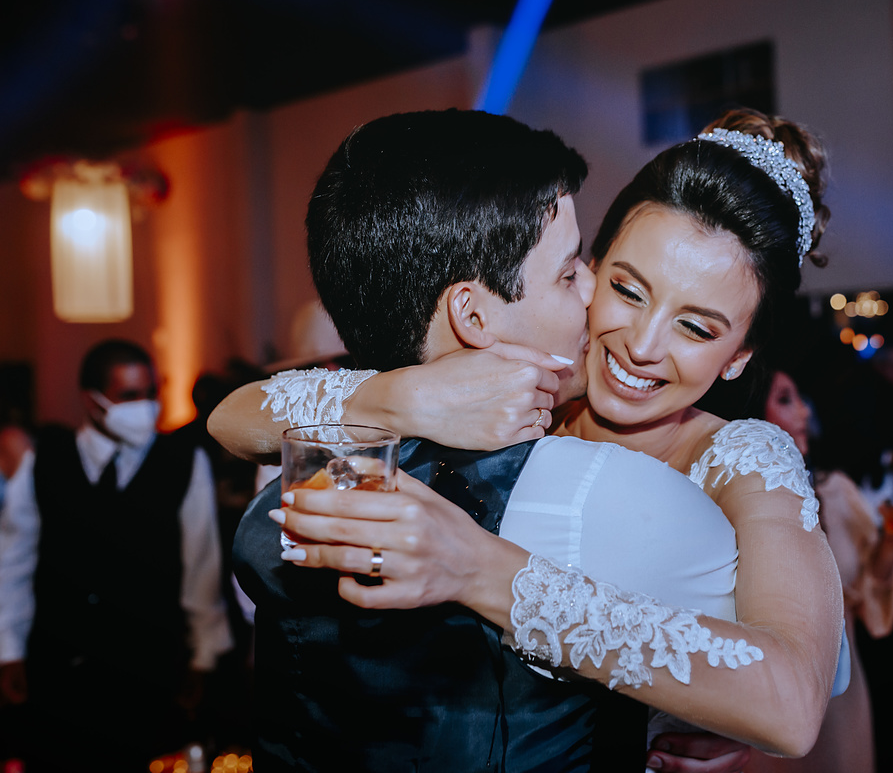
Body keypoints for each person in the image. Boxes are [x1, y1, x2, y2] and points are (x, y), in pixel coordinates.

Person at [209, 107, 845, 770]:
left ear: (739, 356)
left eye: (697, 328)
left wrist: (479, 568)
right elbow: (233, 418)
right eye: (628, 290)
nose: (643, 345)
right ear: (592, 268)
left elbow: (795, 703)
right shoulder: (540, 384)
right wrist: (408, 396)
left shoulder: (747, 458)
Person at [0, 339, 233, 772]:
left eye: (151, 393)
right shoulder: (44, 458)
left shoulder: (183, 461)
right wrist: (8, 647)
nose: (145, 406)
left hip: (144, 664)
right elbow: (15, 556)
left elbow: (202, 565)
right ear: (93, 402)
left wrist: (203, 654)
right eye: (129, 395)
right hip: (57, 664)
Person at [743, 369, 893, 773]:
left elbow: (867, 600)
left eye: (801, 398)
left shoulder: (836, 491)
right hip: (765, 690)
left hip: (840, 691)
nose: (803, 411)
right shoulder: (734, 504)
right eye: (785, 399)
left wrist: (889, 545)